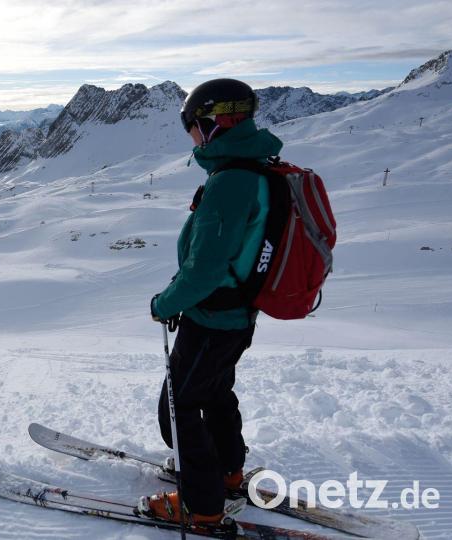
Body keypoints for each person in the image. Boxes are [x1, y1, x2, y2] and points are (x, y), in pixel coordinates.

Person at [144, 78, 283, 525]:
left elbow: (204, 269)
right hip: (236, 315)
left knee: (179, 406)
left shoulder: (230, 182)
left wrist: (165, 303)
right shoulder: (254, 169)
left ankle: (202, 506)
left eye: (192, 128)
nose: (192, 139)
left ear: (213, 123)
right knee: (215, 391)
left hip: (212, 317)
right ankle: (226, 471)